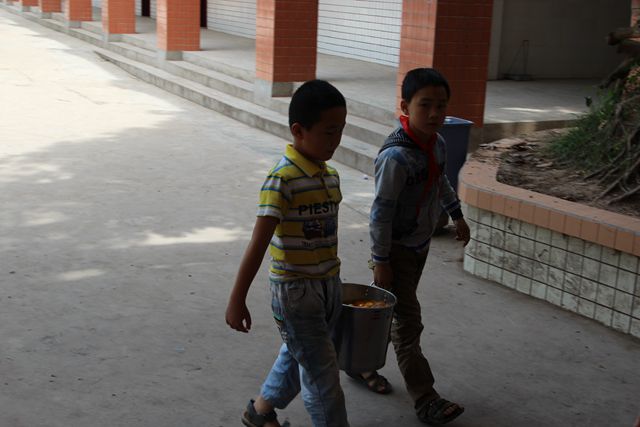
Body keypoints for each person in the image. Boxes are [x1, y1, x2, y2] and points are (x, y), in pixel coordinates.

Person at [347, 68, 470, 425]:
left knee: (390, 314)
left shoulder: (438, 143)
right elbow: (380, 214)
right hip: (396, 250)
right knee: (408, 324)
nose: (434, 113)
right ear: (405, 107)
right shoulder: (396, 158)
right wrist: (380, 260)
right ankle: (425, 398)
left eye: (441, 105)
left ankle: (358, 362)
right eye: (425, 105)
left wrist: (457, 214)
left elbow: (440, 181)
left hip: (419, 246)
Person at [225, 79, 349, 427]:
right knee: (323, 377)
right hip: (295, 292)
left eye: (341, 130)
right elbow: (258, 243)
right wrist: (237, 299)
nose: (336, 140)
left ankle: (260, 411)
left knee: (301, 354)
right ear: (298, 130)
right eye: (328, 132)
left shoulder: (331, 176)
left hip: (328, 285)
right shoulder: (281, 180)